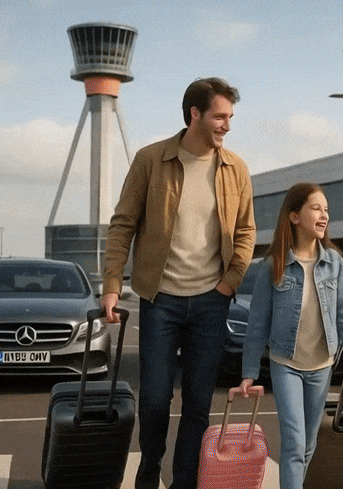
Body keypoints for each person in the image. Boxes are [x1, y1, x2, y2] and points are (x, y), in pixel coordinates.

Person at [100, 77, 255, 489]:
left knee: (199, 406)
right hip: (161, 300)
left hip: (211, 301)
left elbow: (246, 231)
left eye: (230, 117)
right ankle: (149, 468)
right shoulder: (151, 160)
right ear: (194, 115)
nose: (226, 125)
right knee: (154, 400)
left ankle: (185, 481)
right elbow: (122, 225)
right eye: (220, 116)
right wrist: (112, 284)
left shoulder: (236, 168)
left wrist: (230, 281)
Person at [237, 182, 343, 489]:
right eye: (316, 208)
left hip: (322, 365)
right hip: (286, 364)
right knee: (294, 444)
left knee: (308, 445)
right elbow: (257, 323)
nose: (324, 216)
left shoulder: (334, 262)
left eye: (326, 210)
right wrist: (249, 372)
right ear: (294, 216)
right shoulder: (274, 265)